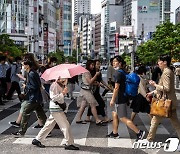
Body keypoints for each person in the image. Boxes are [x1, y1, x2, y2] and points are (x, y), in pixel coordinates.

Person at [32, 77, 79, 150]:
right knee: (65, 126)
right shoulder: (54, 85)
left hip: (57, 108)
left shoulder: (59, 84)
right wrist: (63, 93)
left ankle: (38, 139)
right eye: (64, 78)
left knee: (49, 125)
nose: (65, 79)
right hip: (56, 108)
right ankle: (69, 143)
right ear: (58, 78)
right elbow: (53, 98)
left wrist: (64, 89)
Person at [107, 55, 145, 141]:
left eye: (115, 62)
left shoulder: (118, 73)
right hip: (123, 97)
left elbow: (116, 88)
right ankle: (115, 133)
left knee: (123, 117)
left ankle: (139, 132)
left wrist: (112, 99)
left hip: (120, 98)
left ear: (120, 63)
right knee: (114, 114)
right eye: (113, 62)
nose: (113, 63)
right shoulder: (123, 72)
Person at [146, 54, 180, 141]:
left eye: (159, 61)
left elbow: (167, 88)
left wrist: (154, 85)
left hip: (165, 103)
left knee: (155, 121)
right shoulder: (168, 71)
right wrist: (152, 92)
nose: (158, 63)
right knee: (175, 123)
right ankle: (149, 138)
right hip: (170, 102)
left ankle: (149, 139)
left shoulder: (166, 72)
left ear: (164, 62)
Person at [12, 60, 47, 136]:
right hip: (36, 97)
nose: (22, 67)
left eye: (23, 65)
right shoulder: (33, 72)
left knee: (25, 112)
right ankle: (48, 130)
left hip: (33, 98)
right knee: (41, 115)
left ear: (27, 65)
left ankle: (22, 131)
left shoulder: (31, 74)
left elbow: (34, 86)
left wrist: (26, 86)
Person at [76, 60, 104, 125]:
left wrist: (96, 83)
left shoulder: (87, 72)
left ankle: (78, 119)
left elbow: (90, 82)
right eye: (92, 65)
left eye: (93, 65)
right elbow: (89, 82)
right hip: (86, 91)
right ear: (88, 65)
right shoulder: (86, 72)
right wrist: (96, 75)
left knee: (83, 105)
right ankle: (97, 120)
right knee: (93, 104)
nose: (93, 66)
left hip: (85, 90)